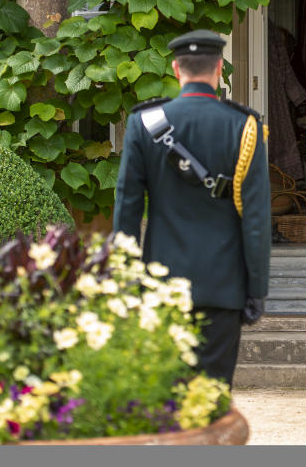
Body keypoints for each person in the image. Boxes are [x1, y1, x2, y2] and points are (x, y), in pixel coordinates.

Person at [113, 29, 271, 388]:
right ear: (218, 69)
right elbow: (257, 218)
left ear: (175, 69)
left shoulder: (142, 123)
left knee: (166, 400)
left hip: (161, 287)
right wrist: (256, 287)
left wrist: (124, 283)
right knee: (212, 397)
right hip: (223, 286)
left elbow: (126, 213)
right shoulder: (244, 125)